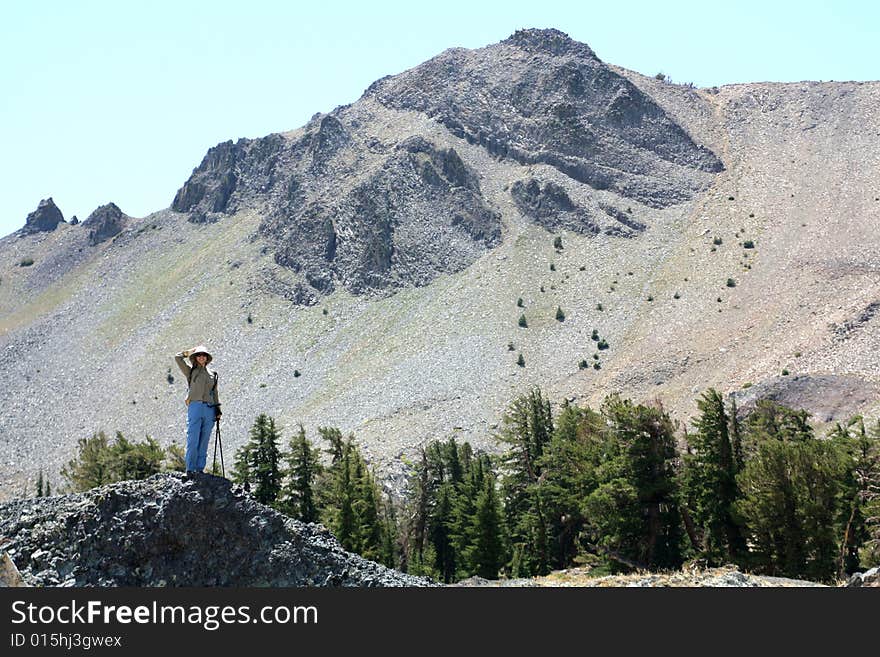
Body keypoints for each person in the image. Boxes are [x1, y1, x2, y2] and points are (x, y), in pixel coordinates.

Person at [174, 345, 222, 474]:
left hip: (209, 408)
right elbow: (177, 358)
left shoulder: (213, 374)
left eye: (204, 355)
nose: (201, 357)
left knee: (204, 440)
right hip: (195, 406)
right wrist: (191, 351)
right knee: (193, 438)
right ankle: (190, 469)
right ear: (195, 358)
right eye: (199, 355)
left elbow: (215, 393)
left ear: (207, 358)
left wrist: (218, 410)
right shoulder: (190, 371)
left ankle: (200, 469)